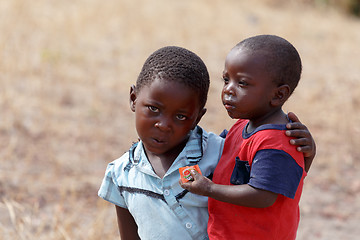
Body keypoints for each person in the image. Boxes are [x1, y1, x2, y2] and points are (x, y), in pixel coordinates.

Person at [98, 45, 315, 240]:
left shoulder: (216, 152)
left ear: (197, 118)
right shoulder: (121, 174)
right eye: (154, 109)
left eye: (181, 116)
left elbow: (271, 183)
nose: (163, 125)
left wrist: (305, 154)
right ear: (134, 99)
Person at [180, 35, 313, 240]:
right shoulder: (242, 126)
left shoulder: (276, 141)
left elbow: (264, 195)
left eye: (242, 83)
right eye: (226, 80)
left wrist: (209, 188)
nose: (228, 90)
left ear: (278, 95)